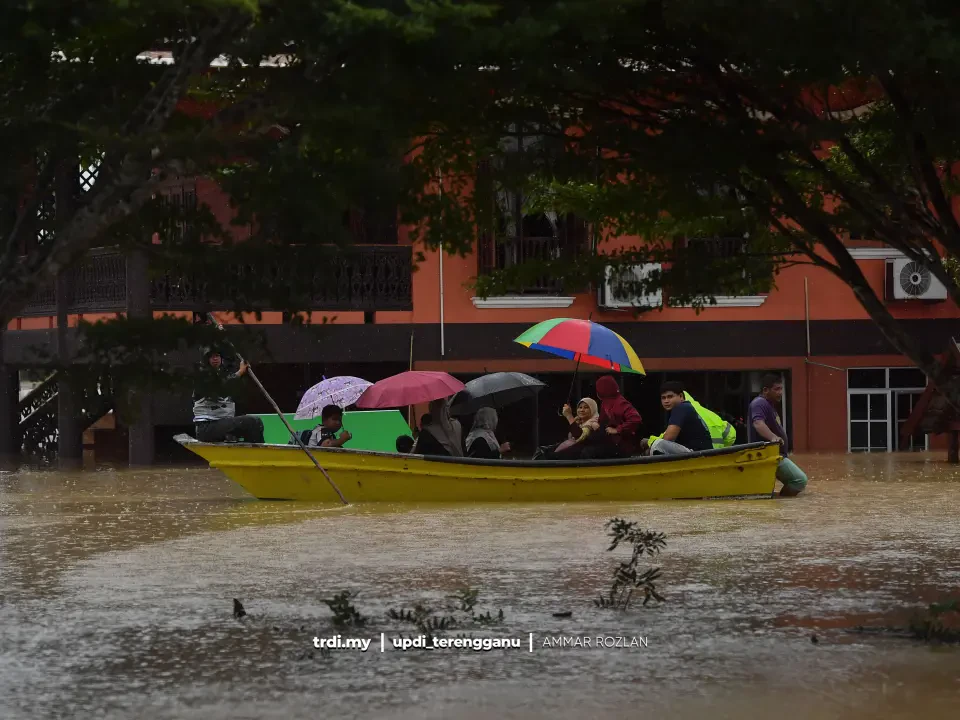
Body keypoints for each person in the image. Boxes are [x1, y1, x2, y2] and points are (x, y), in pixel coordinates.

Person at [748, 374, 808, 497]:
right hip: (770, 454)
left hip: (775, 455)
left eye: (781, 389)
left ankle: (777, 501)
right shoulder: (759, 403)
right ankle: (783, 500)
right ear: (765, 390)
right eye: (776, 389)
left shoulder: (769, 405)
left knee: (766, 491)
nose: (780, 392)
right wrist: (773, 438)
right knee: (799, 480)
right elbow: (758, 423)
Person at [193, 348, 265, 444]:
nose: (215, 359)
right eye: (212, 356)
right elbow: (221, 388)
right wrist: (240, 372)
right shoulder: (202, 377)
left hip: (222, 424)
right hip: (207, 427)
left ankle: (249, 452)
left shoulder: (223, 376)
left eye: (217, 356)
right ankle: (257, 453)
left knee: (255, 424)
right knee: (252, 422)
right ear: (206, 360)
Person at [590, 375, 642, 458]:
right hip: (609, 442)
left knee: (589, 452)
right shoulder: (605, 402)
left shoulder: (620, 403)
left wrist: (617, 429)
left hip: (620, 446)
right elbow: (603, 421)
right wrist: (595, 423)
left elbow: (636, 419)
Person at [653, 381, 712, 453]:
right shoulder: (685, 407)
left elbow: (668, 438)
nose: (666, 401)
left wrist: (649, 442)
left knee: (658, 444)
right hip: (701, 452)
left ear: (681, 396)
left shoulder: (681, 408)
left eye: (670, 397)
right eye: (663, 398)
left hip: (697, 454)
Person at [537, 398, 601, 460]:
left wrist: (569, 416)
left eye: (586, 407)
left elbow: (579, 436)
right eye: (580, 407)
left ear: (593, 409)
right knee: (542, 452)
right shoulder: (578, 421)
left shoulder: (594, 423)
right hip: (569, 453)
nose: (582, 410)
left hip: (578, 456)